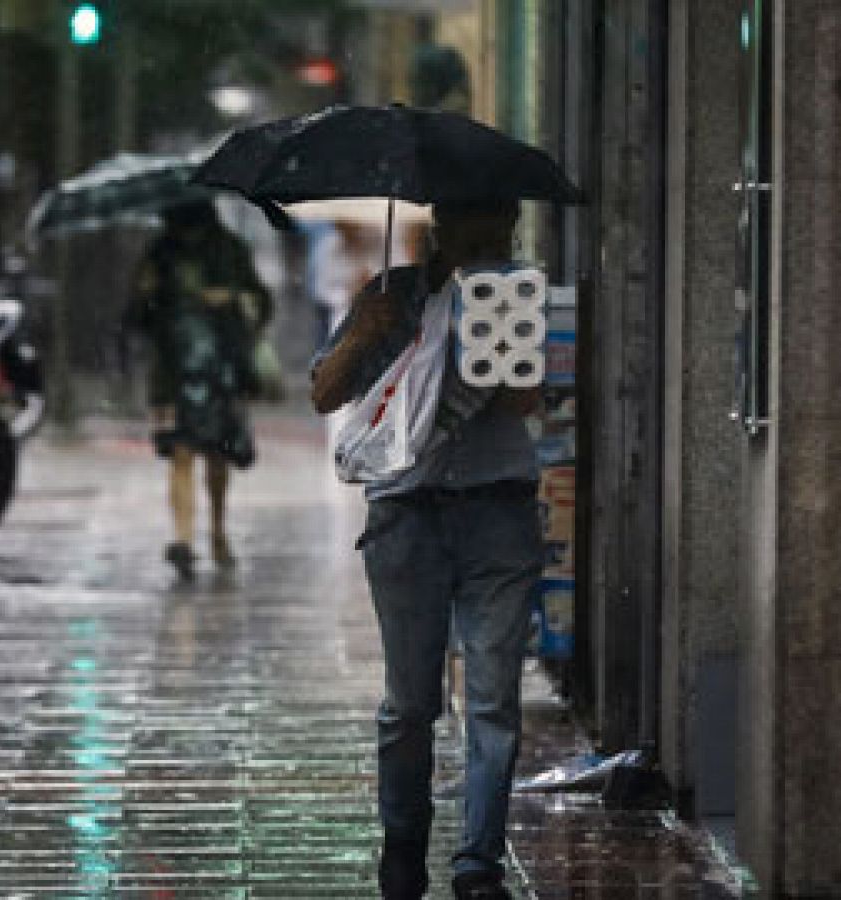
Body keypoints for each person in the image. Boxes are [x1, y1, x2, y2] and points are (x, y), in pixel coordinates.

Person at [311, 197, 541, 900]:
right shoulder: (396, 295)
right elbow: (325, 392)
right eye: (481, 227)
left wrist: (502, 347)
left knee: (495, 700)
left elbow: (528, 404)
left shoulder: (517, 294)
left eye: (503, 230)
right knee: (411, 704)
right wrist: (366, 331)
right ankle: (403, 845)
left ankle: (478, 866)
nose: (493, 240)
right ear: (444, 228)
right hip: (407, 517)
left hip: (498, 511)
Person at [127, 199, 273, 579]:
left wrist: (230, 300)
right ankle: (185, 538)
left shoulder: (229, 248)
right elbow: (139, 317)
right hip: (173, 371)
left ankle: (217, 529)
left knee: (215, 455)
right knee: (181, 450)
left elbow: (260, 302)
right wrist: (148, 293)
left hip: (219, 369)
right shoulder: (159, 252)